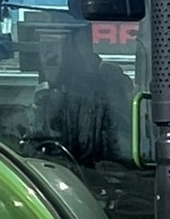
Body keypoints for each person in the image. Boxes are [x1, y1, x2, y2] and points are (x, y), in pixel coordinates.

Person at [27, 22, 137, 165]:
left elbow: (121, 139)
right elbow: (37, 147)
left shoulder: (110, 79)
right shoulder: (46, 97)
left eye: (84, 43)